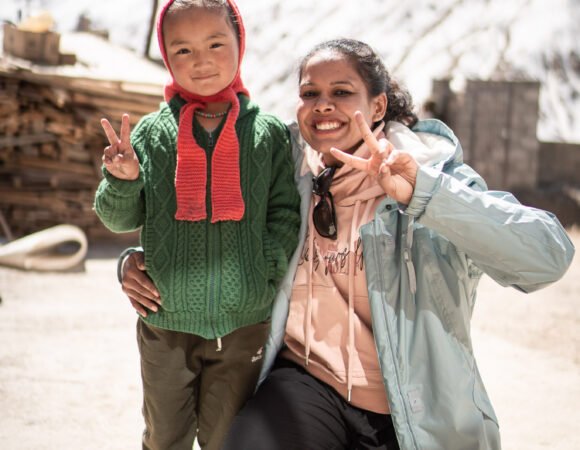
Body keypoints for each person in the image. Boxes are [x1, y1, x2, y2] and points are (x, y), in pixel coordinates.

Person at [118, 38, 575, 450]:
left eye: (341, 92)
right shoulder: (289, 174)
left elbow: (548, 255)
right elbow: (201, 226)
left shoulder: (430, 174)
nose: (323, 105)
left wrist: (426, 195)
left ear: (377, 108)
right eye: (309, 93)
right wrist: (134, 263)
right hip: (309, 383)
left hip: (411, 403)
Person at [93, 1, 301, 449]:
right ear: (166, 56)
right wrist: (122, 179)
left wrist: (263, 271)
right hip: (165, 321)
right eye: (182, 50)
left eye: (215, 44)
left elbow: (284, 213)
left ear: (239, 44)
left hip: (243, 323)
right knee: (165, 436)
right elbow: (117, 218)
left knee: (228, 438)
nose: (201, 60)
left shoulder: (266, 134)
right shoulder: (150, 134)